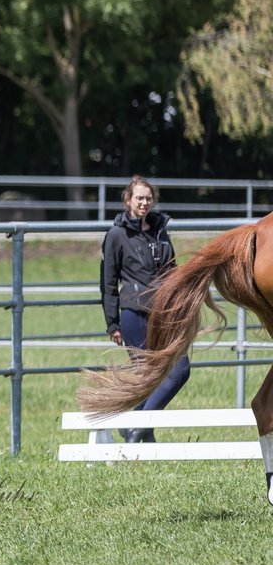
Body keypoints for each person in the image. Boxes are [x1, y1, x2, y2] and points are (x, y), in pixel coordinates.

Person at [100, 175, 191, 442]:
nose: (144, 202)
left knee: (180, 370)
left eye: (148, 197)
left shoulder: (161, 231)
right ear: (128, 200)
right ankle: (141, 431)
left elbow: (172, 270)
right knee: (151, 377)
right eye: (139, 197)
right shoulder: (117, 235)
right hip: (134, 314)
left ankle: (136, 427)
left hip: (164, 314)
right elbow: (107, 282)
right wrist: (112, 323)